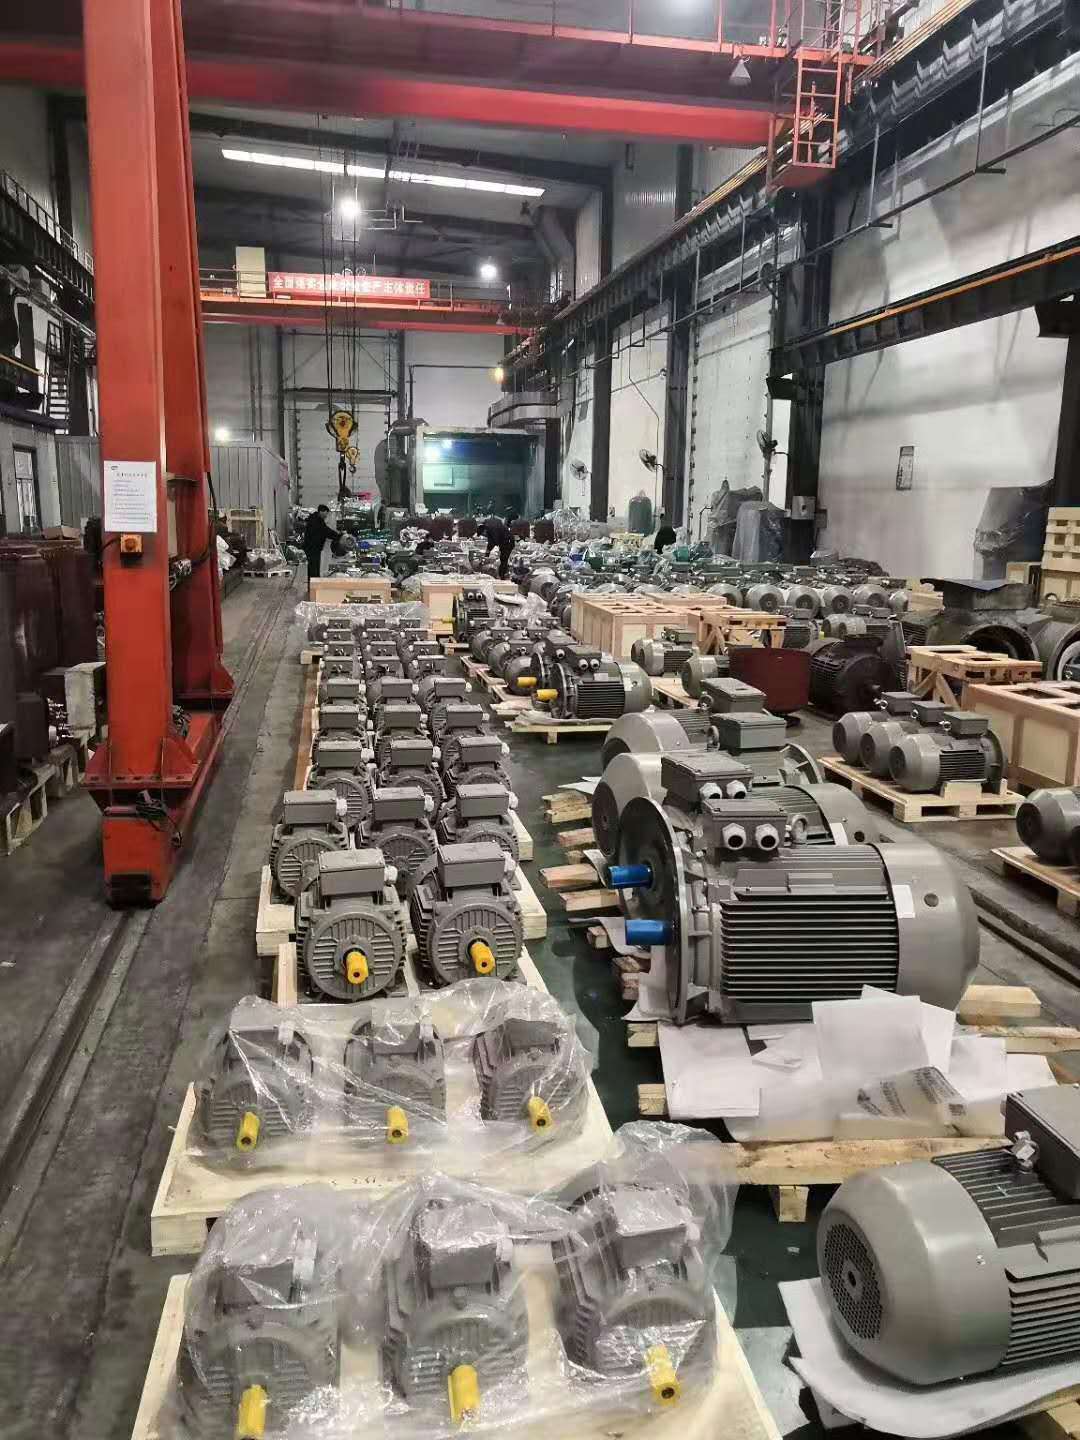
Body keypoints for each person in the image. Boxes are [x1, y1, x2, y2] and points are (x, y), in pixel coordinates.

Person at [302, 504, 339, 582]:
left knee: (314, 567)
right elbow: (325, 531)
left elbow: (325, 530)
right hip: (312, 548)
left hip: (314, 548)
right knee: (314, 567)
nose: (326, 516)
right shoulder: (316, 521)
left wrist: (337, 535)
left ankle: (313, 583)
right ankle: (314, 584)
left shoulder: (317, 519)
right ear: (321, 512)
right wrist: (338, 536)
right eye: (326, 513)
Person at [480, 514, 515, 579]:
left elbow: (493, 542)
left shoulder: (492, 528)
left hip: (508, 542)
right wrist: (488, 551)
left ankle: (502, 576)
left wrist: (487, 552)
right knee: (503, 559)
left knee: (504, 559)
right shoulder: (493, 527)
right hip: (507, 541)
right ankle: (502, 574)